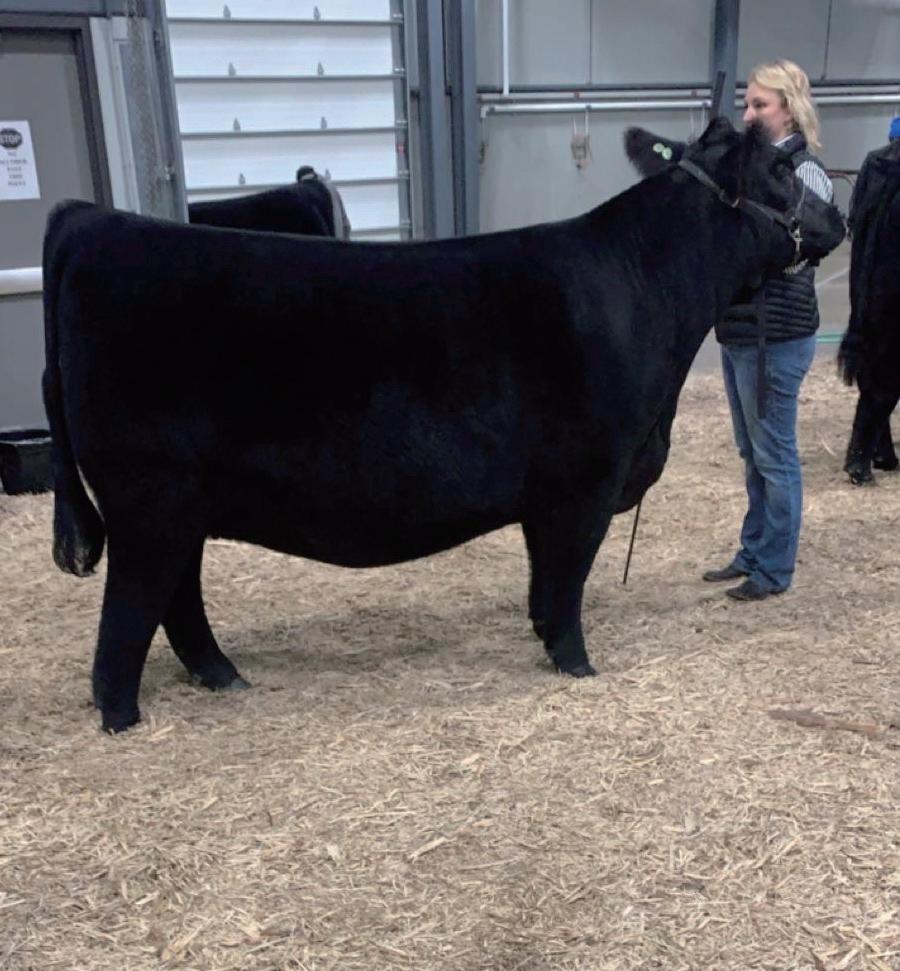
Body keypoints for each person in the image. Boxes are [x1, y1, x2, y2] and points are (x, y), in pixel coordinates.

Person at [703, 60, 838, 601]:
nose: (748, 114)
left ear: (789, 109)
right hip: (742, 329)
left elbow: (809, 247)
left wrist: (746, 259)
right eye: (747, 104)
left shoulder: (805, 174)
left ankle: (774, 567)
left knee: (774, 454)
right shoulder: (751, 169)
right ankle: (754, 549)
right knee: (751, 450)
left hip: (775, 332)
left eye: (760, 104)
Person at [839, 116, 900, 484]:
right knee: (888, 374)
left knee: (880, 368)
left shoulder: (875, 165)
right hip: (892, 285)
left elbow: (856, 221)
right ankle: (860, 454)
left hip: (868, 282)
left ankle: (879, 449)